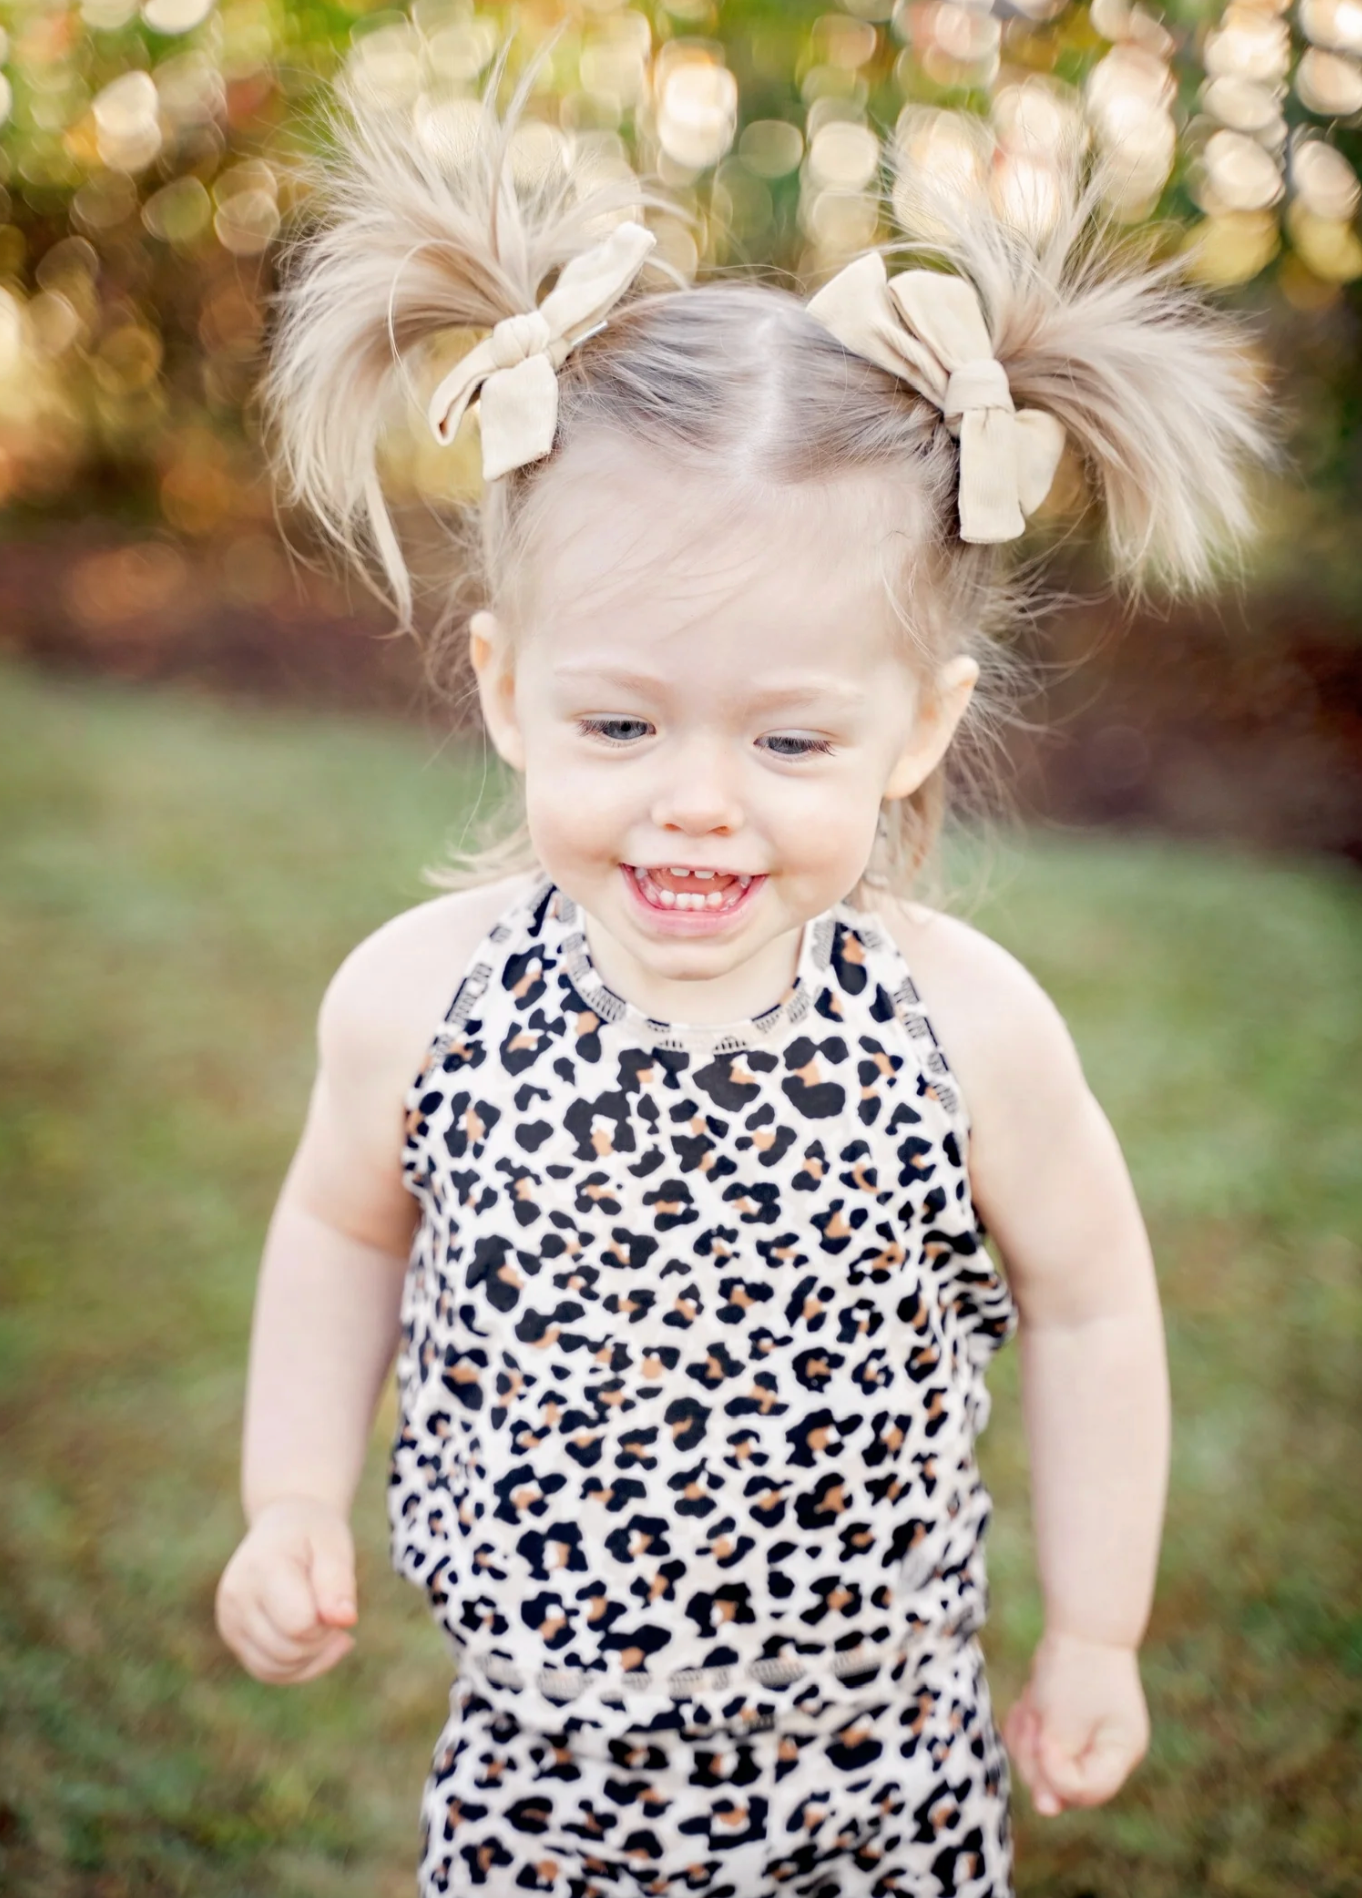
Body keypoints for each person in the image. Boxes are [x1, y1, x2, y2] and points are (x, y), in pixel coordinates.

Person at [214, 72, 1268, 1898]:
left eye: (789, 737)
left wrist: (1094, 1626)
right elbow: (338, 1231)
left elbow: (1093, 1311)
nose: (694, 797)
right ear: (504, 688)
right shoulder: (416, 1002)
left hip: (881, 1768)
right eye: (619, 721)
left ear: (914, 730)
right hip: (535, 1777)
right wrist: (293, 1495)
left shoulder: (965, 1032)